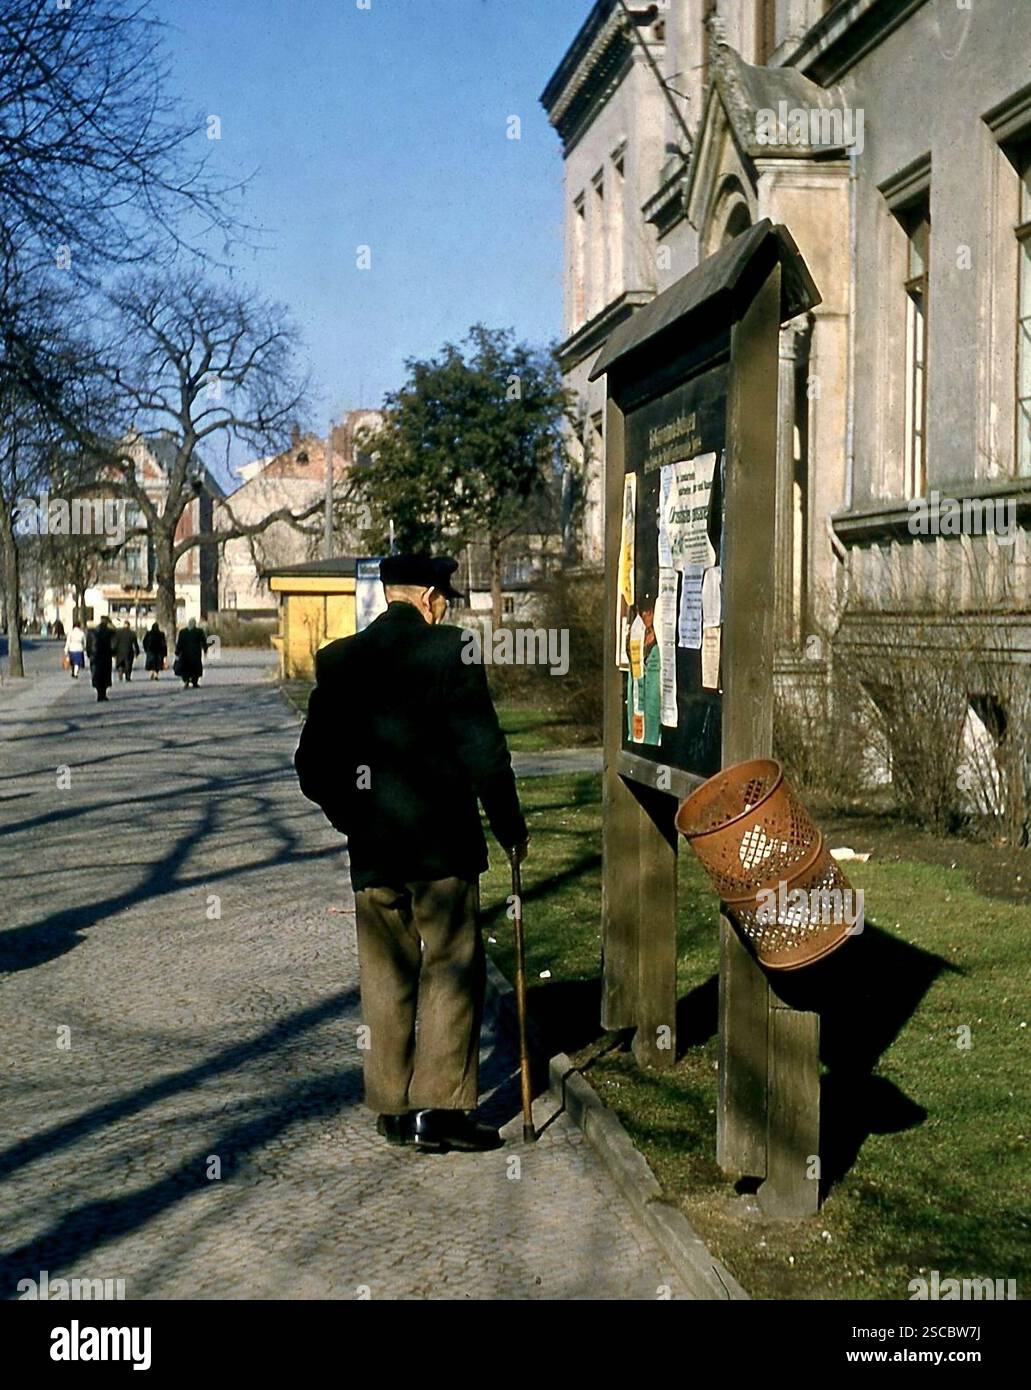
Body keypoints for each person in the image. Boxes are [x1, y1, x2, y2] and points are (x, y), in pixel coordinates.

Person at [294, 553, 529, 1154]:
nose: (446, 606)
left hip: (374, 853)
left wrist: (354, 818)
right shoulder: (451, 652)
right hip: (441, 849)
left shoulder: (343, 659)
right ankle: (441, 1109)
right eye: (444, 596)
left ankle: (392, 1107)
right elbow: (486, 752)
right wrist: (511, 828)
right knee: (451, 967)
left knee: (385, 977)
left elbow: (312, 766)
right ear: (427, 596)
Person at [86, 615, 115, 702]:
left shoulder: (92, 631)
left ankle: (99, 693)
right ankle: (103, 694)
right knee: (105, 675)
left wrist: (89, 654)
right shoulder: (109, 632)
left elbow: (88, 645)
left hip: (95, 656)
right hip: (106, 656)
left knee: (97, 675)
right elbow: (114, 639)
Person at [174, 617, 209, 688]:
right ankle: (194, 682)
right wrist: (205, 650)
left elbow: (179, 643)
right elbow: (203, 642)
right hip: (195, 653)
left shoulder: (183, 632)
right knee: (195, 668)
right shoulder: (199, 631)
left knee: (185, 668)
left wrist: (177, 652)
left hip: (185, 654)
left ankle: (186, 680)